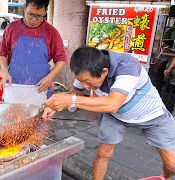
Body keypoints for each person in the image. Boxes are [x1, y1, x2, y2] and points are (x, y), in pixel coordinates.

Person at [42, 46, 175, 180]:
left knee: (171, 164)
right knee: (103, 153)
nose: (85, 86)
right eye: (82, 81)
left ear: (105, 71)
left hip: (151, 114)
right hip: (116, 115)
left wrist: (70, 100)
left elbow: (113, 104)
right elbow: (74, 93)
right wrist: (53, 106)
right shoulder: (85, 71)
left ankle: (165, 176)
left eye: (87, 82)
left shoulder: (128, 66)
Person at [0, 0, 67, 105]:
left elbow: (61, 59)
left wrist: (50, 77)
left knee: (38, 118)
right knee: (12, 118)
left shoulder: (51, 32)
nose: (34, 20)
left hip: (39, 88)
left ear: (45, 12)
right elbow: (2, 53)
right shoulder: (12, 28)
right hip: (14, 85)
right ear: (25, 7)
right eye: (31, 14)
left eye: (39, 16)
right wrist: (5, 72)